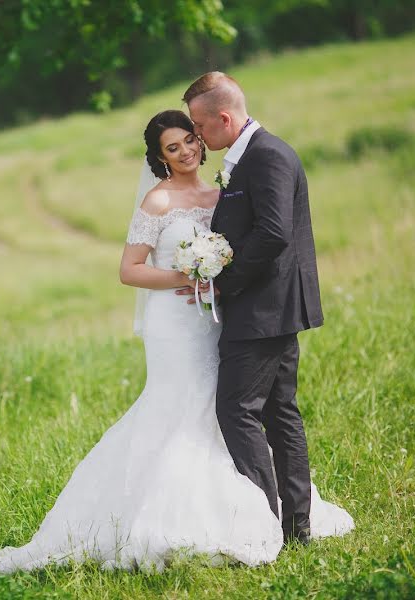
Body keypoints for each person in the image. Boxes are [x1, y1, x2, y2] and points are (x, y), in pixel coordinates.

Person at [0, 109, 352, 574]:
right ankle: (175, 514)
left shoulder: (222, 191)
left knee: (226, 406)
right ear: (159, 158)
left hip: (217, 317)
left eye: (189, 141)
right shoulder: (157, 202)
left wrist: (215, 274)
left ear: (201, 138)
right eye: (172, 148)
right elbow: (129, 269)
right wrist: (186, 273)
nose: (186, 152)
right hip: (174, 323)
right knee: (181, 404)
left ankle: (258, 506)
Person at [182, 71, 326, 545]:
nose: (198, 137)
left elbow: (274, 232)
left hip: (264, 309)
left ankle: (265, 525)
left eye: (200, 127)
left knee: (237, 409)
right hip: (271, 307)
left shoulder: (267, 157)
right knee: (279, 412)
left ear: (224, 118)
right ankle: (294, 527)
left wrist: (224, 280)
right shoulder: (246, 159)